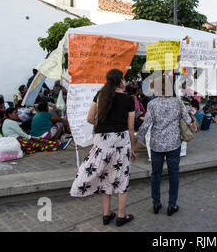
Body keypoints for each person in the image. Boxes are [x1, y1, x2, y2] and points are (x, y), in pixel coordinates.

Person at [70, 69, 136, 227]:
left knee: (104, 176)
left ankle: (106, 215)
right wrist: (133, 147)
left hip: (101, 140)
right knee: (121, 177)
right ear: (120, 81)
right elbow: (131, 127)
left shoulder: (100, 96)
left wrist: (102, 126)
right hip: (121, 141)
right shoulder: (129, 99)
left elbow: (89, 118)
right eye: (124, 79)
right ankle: (121, 216)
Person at [136, 75, 193, 217]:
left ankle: (156, 203)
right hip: (174, 144)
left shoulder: (152, 104)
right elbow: (187, 119)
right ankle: (172, 205)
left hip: (156, 144)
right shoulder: (177, 102)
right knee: (174, 174)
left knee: (156, 174)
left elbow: (146, 125)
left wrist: (137, 141)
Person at [2, 108, 69, 154]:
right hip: (19, 140)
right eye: (15, 113)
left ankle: (59, 145)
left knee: (39, 143)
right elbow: (21, 133)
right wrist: (30, 137)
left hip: (16, 140)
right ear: (9, 114)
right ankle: (59, 145)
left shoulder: (6, 122)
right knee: (39, 143)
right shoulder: (12, 122)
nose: (17, 114)